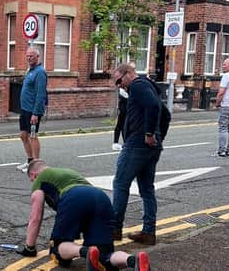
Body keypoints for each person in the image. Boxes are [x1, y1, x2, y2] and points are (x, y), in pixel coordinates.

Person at [16, 159, 151, 271]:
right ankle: (133, 261)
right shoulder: (68, 172)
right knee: (104, 257)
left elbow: (36, 217)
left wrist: (30, 247)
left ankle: (86, 252)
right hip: (101, 199)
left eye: (31, 180)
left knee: (58, 248)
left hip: (74, 197)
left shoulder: (40, 179)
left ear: (33, 175)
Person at [110, 63, 162, 246]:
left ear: (128, 74)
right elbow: (166, 114)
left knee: (120, 183)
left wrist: (149, 133)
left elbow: (154, 106)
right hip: (149, 146)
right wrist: (157, 136)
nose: (119, 85)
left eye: (119, 80)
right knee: (147, 188)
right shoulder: (147, 86)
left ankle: (114, 229)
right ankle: (149, 232)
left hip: (137, 143)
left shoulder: (138, 85)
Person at [16, 47, 48, 173]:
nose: (29, 58)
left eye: (31, 56)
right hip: (24, 109)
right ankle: (29, 161)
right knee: (23, 135)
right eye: (27, 56)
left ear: (37, 57)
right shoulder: (30, 70)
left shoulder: (40, 72)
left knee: (32, 136)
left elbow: (41, 94)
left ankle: (36, 165)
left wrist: (35, 113)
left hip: (32, 111)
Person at [113, 62, 135, 151]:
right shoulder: (124, 86)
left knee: (125, 125)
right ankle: (115, 142)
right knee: (120, 125)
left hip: (127, 107)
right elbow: (125, 95)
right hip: (123, 107)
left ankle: (126, 142)